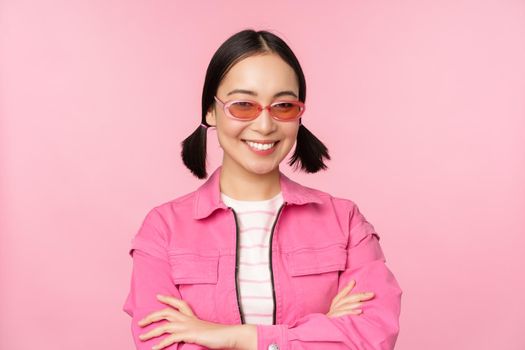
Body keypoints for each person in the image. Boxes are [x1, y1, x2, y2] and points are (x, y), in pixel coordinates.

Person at [122, 28, 403, 350]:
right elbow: (161, 343)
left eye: (283, 106)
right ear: (210, 111)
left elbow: (370, 337)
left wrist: (234, 337)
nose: (266, 125)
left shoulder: (345, 221)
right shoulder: (163, 228)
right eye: (243, 105)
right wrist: (321, 328)